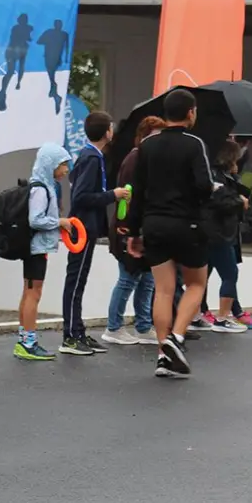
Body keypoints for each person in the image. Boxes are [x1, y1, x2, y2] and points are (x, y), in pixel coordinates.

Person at [126, 88, 215, 379]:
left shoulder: (148, 146)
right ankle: (176, 338)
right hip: (186, 223)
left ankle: (163, 356)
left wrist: (133, 230)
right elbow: (203, 185)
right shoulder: (194, 144)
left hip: (153, 224)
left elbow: (136, 191)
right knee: (196, 285)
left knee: (162, 289)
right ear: (190, 113)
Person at [60, 111, 128, 356]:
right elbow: (81, 196)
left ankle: (77, 331)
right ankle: (69, 335)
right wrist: (113, 195)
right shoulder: (91, 157)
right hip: (82, 227)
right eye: (111, 127)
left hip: (86, 226)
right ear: (106, 132)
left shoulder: (93, 155)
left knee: (79, 281)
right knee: (76, 281)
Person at [101, 116, 164, 347]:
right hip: (127, 228)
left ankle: (143, 325)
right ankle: (114, 327)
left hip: (142, 227)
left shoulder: (147, 159)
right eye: (155, 134)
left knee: (147, 278)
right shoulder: (135, 158)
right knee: (128, 278)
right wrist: (127, 229)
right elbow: (128, 197)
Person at [16, 143, 71, 361]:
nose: (66, 169)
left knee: (29, 292)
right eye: (63, 164)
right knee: (33, 294)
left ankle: (24, 339)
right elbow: (35, 219)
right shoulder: (40, 189)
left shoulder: (41, 185)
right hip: (36, 248)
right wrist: (60, 222)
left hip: (35, 247)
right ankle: (28, 342)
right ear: (51, 164)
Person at [200, 140, 249, 333]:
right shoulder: (218, 178)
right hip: (219, 232)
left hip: (210, 231)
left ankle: (197, 314)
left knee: (203, 275)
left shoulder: (213, 174)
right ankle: (223, 317)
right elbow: (222, 201)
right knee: (230, 274)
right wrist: (240, 201)